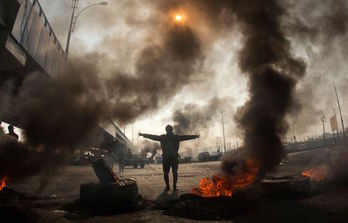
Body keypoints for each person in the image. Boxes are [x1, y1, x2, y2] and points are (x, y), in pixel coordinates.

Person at [139, 125, 199, 191]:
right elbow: (186, 137)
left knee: (167, 173)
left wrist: (143, 135)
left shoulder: (163, 137)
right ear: (171, 130)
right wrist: (195, 136)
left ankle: (168, 186)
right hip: (172, 158)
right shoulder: (175, 137)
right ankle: (174, 186)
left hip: (167, 158)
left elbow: (153, 136)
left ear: (166, 130)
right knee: (174, 172)